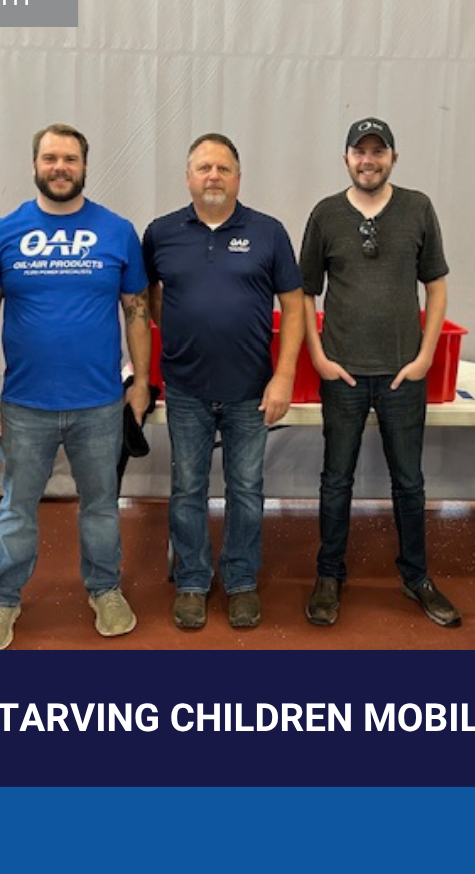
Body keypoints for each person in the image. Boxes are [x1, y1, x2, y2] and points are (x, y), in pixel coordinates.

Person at [0, 124, 151, 649]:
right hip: (25, 404)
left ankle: (105, 588)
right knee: (16, 507)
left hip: (100, 403)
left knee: (100, 505)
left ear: (85, 166)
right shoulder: (2, 232)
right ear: (35, 165)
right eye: (50, 158)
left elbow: (137, 310)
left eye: (70, 159)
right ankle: (2, 599)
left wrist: (139, 384)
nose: (60, 167)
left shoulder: (117, 231)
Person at [299, 117, 458, 627]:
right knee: (335, 479)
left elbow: (436, 285)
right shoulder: (325, 215)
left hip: (402, 375)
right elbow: (304, 291)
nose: (369, 160)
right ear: (346, 158)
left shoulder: (417, 209)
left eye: (378, 151)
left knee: (409, 481)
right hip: (342, 373)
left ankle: (416, 577)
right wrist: (320, 357)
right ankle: (328, 575)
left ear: (393, 157)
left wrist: (425, 356)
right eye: (359, 151)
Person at [142, 133, 303, 630]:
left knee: (247, 489)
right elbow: (149, 299)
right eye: (204, 167)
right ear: (188, 176)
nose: (213, 176)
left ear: (238, 176)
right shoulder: (161, 233)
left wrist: (283, 377)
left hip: (251, 390)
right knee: (187, 488)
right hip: (186, 388)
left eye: (223, 168)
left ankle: (240, 581)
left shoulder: (269, 232)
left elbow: (294, 307)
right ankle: (191, 580)